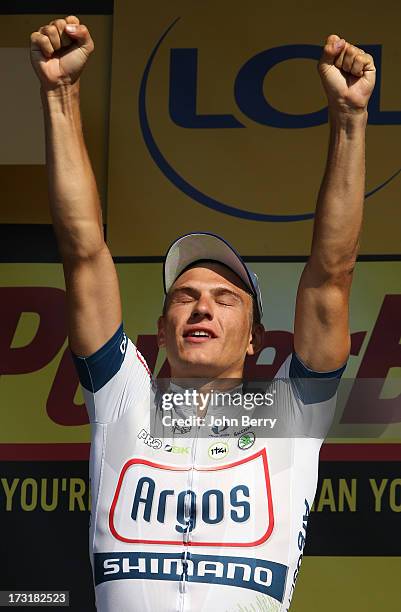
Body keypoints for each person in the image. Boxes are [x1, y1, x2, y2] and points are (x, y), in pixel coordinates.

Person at [30, 15, 376, 612]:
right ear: (162, 329)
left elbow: (332, 275)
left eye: (225, 298)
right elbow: (83, 251)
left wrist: (349, 121)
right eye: (184, 296)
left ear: (253, 338)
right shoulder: (124, 399)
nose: (201, 307)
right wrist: (59, 95)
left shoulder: (291, 413)